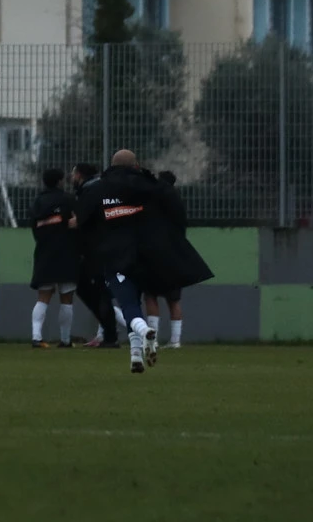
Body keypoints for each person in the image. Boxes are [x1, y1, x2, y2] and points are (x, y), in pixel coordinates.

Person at [72, 150, 181, 374]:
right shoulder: (150, 186)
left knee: (129, 304)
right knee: (138, 302)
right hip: (147, 256)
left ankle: (145, 331)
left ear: (112, 165)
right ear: (136, 165)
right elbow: (171, 214)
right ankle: (136, 357)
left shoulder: (99, 189)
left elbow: (83, 221)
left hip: (115, 257)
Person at [144, 170, 213, 350]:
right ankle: (175, 340)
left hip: (154, 252)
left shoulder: (153, 199)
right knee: (173, 299)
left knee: (151, 295)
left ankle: (153, 339)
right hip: (174, 253)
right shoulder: (177, 201)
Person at [29, 168, 81, 349]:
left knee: (43, 297)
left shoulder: (38, 202)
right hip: (67, 253)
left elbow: (34, 227)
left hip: (45, 252)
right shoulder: (69, 200)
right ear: (60, 181)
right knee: (67, 298)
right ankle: (65, 340)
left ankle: (36, 337)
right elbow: (76, 223)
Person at [67, 163, 118, 347]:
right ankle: (109, 332)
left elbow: (82, 219)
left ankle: (110, 335)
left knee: (97, 291)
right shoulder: (99, 189)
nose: (71, 177)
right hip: (102, 248)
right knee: (96, 291)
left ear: (79, 175)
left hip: (96, 250)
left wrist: (73, 221)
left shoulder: (90, 192)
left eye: (73, 174)